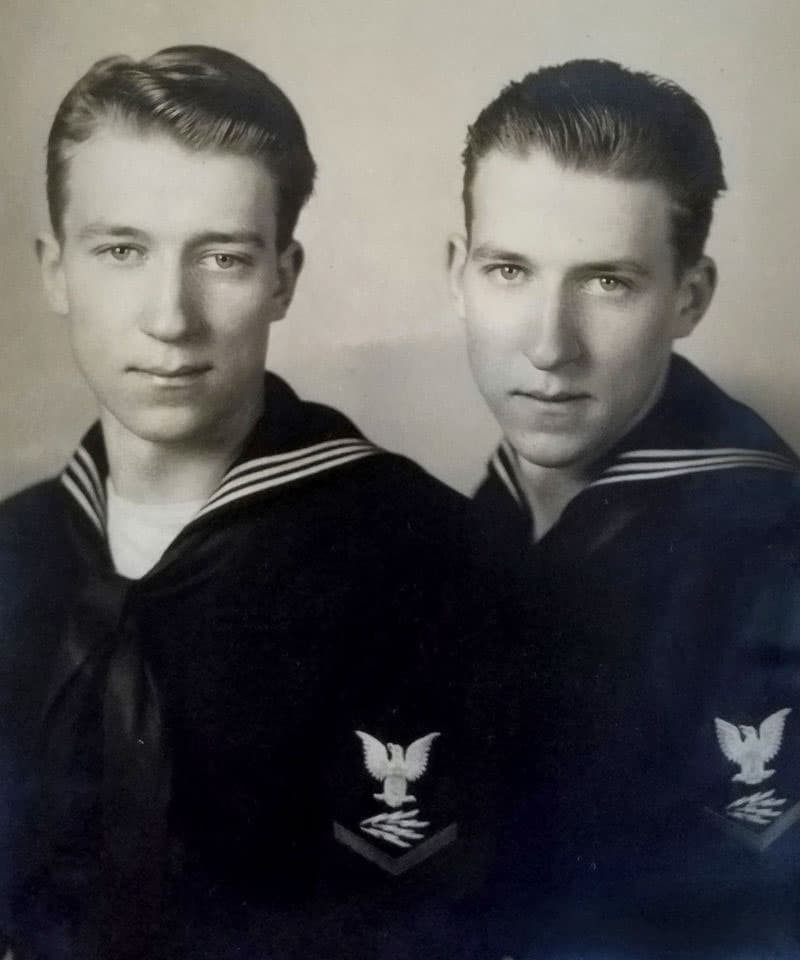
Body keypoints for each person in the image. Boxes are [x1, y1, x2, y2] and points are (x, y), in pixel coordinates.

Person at [0, 46, 507, 960]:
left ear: (283, 277)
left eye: (223, 257)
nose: (170, 316)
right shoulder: (13, 550)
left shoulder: (425, 555)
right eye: (121, 251)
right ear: (54, 270)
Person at [448, 59, 800, 957]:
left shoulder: (771, 556)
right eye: (509, 270)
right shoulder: (465, 521)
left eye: (607, 282)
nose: (549, 345)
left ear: (689, 298)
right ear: (457, 273)